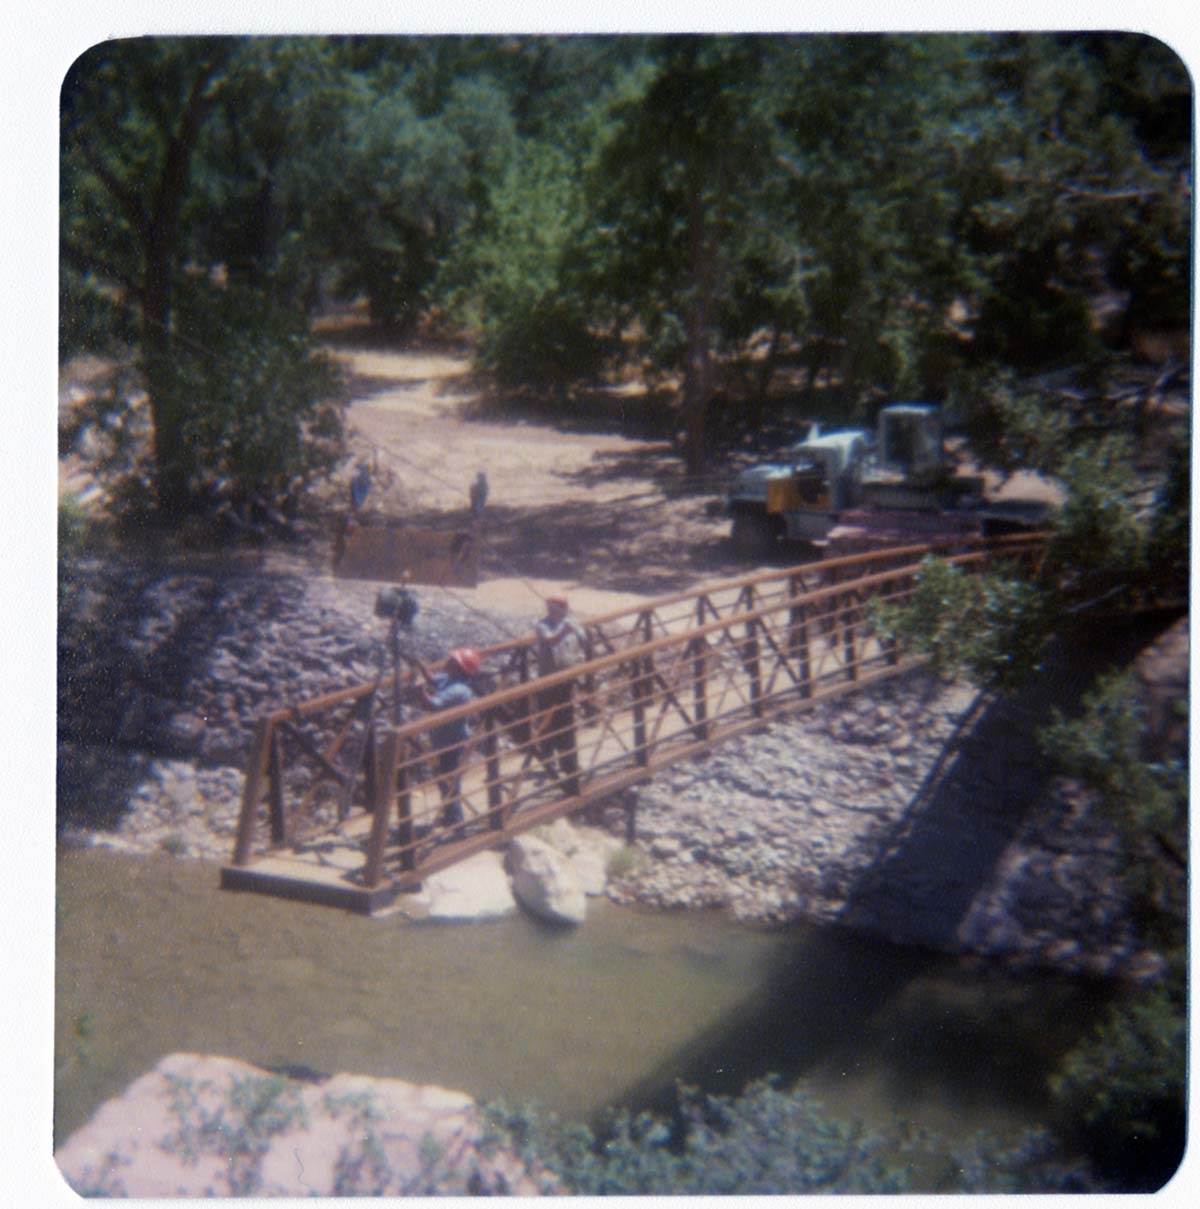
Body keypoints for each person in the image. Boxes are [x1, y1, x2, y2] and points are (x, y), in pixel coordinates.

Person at [418, 647, 480, 828]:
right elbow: (432, 679)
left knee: (449, 780)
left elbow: (431, 704)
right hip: (443, 738)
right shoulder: (449, 679)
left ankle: (456, 820)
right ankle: (451, 816)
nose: (448, 662)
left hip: (453, 742)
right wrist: (421, 668)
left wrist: (418, 690)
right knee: (445, 779)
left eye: (452, 661)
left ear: (460, 668)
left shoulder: (459, 690)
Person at [533, 596, 588, 793]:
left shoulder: (571, 622)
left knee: (566, 722)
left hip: (567, 680)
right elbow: (549, 639)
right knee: (548, 721)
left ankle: (569, 764)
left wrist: (577, 632)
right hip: (549, 681)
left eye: (557, 608)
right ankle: (548, 761)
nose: (552, 610)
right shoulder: (542, 625)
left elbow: (584, 639)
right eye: (551, 607)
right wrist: (564, 631)